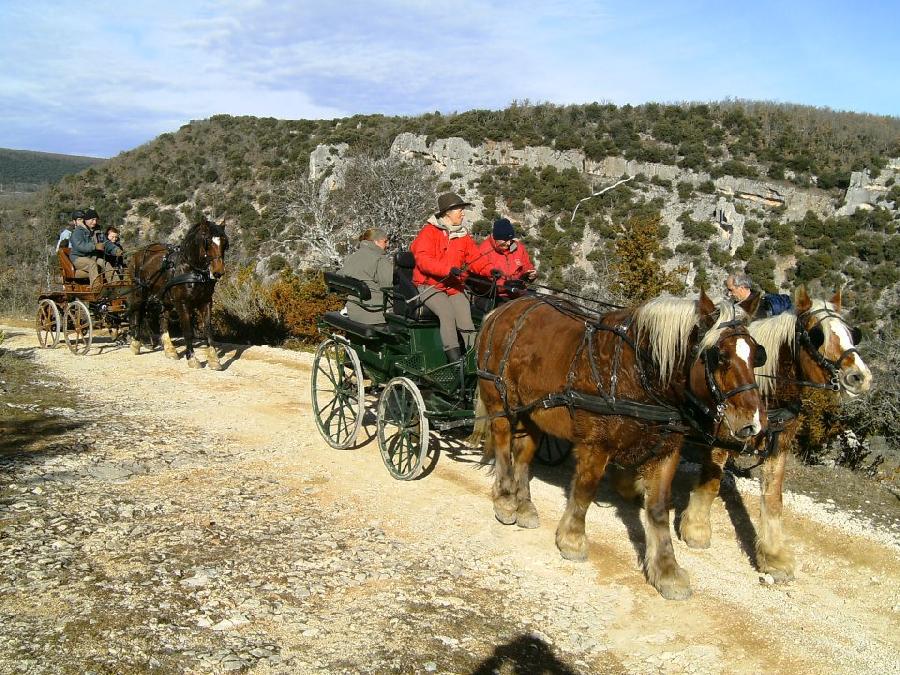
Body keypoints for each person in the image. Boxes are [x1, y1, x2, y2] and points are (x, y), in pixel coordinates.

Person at [411, 192, 480, 363]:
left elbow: (477, 259)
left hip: (453, 286)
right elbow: (423, 261)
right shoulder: (428, 232)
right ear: (447, 213)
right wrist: (448, 269)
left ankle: (474, 359)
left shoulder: (463, 235)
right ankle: (455, 362)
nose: (463, 213)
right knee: (447, 313)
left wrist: (493, 271)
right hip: (429, 286)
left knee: (465, 316)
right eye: (460, 210)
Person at [338, 227, 394, 325]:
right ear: (376, 242)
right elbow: (389, 288)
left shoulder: (353, 257)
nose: (388, 245)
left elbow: (340, 274)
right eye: (385, 241)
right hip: (374, 312)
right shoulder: (380, 260)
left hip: (353, 309)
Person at [470, 217, 536, 297]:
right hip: (495, 295)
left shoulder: (519, 248)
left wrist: (531, 274)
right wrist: (504, 285)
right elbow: (481, 276)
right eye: (505, 240)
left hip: (518, 292)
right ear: (496, 238)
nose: (508, 243)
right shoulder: (484, 250)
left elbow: (527, 266)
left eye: (510, 239)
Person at [69, 208, 114, 287]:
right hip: (78, 257)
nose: (94, 222)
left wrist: (115, 250)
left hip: (91, 257)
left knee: (105, 264)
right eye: (92, 220)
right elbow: (79, 246)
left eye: (96, 220)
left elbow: (106, 243)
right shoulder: (78, 231)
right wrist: (95, 246)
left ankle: (116, 284)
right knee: (92, 264)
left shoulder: (97, 231)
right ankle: (96, 287)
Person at [725, 272, 793, 318]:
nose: (729, 293)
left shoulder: (759, 309)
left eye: (731, 290)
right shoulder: (737, 304)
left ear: (742, 288)